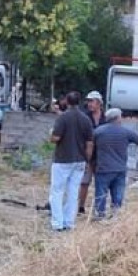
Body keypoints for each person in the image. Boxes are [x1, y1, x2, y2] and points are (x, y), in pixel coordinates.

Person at [89, 109, 138, 221]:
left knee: (101, 193)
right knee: (118, 195)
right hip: (119, 169)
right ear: (118, 118)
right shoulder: (125, 132)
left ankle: (99, 215)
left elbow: (91, 149)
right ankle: (116, 215)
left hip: (103, 168)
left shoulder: (98, 131)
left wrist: (91, 164)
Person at [48, 90, 94, 232]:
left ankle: (57, 223)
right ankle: (69, 222)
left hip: (63, 159)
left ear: (67, 102)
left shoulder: (63, 118)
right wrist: (87, 160)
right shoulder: (86, 119)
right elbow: (89, 143)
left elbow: (55, 138)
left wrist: (50, 134)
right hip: (80, 160)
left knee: (57, 191)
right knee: (73, 192)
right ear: (79, 102)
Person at [79, 90, 107, 216]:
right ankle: (81, 206)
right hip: (87, 155)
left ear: (99, 103)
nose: (89, 104)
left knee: (100, 183)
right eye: (88, 101)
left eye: (92, 101)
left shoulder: (106, 118)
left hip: (101, 155)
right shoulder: (84, 117)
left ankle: (98, 208)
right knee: (84, 182)